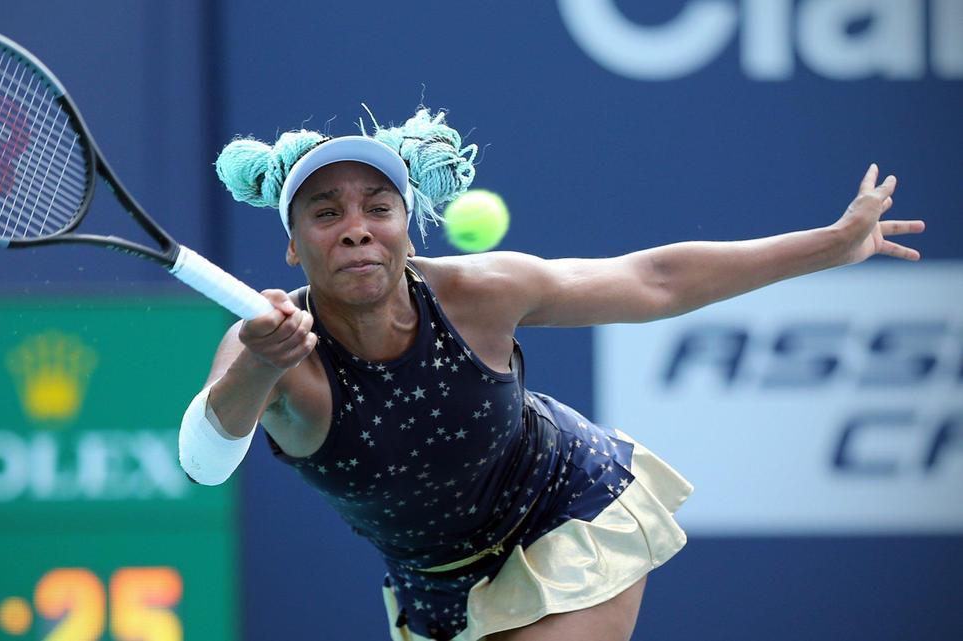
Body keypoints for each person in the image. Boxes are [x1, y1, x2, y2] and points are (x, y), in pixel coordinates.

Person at [178, 108, 923, 641]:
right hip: (433, 586)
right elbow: (203, 460)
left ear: (408, 227)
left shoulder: (478, 293)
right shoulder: (268, 347)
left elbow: (655, 280)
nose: (357, 226)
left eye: (379, 206)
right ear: (293, 247)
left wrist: (830, 244)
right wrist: (258, 365)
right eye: (325, 211)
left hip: (569, 512)